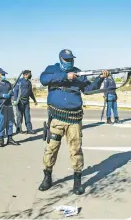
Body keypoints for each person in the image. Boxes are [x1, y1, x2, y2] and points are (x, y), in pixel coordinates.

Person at [38, 49, 109, 195]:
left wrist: (100, 78)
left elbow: (89, 89)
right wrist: (65, 76)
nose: (69, 62)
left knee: (76, 150)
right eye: (66, 59)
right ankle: (47, 177)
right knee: (51, 149)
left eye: (71, 59)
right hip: (57, 118)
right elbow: (44, 80)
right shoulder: (52, 69)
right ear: (60, 59)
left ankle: (77, 182)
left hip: (74, 119)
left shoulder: (79, 73)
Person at [0, 68, 20, 147]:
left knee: (10, 122)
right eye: (2, 74)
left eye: (4, 74)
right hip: (0, 105)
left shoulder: (8, 83)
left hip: (8, 105)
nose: (4, 76)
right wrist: (2, 95)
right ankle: (1, 139)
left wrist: (14, 99)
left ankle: (10, 139)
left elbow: (12, 93)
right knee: (2, 122)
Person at [13, 70, 38, 134]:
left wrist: (34, 100)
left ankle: (29, 129)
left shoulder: (29, 83)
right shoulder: (20, 81)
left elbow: (30, 93)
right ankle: (19, 129)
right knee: (20, 116)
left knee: (27, 116)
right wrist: (15, 100)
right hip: (20, 101)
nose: (30, 75)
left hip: (26, 102)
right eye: (29, 74)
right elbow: (15, 90)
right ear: (25, 75)